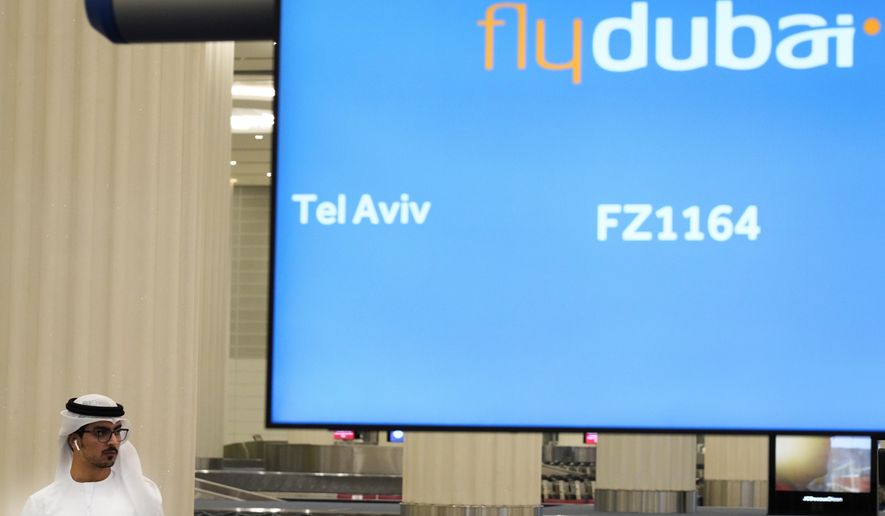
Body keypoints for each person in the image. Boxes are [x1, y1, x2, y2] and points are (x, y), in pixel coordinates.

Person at [21, 393, 164, 515]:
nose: (113, 441)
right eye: (101, 432)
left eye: (117, 432)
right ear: (74, 441)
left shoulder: (140, 500)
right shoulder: (41, 505)